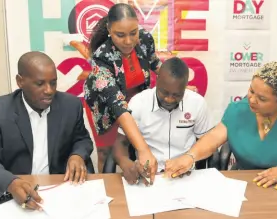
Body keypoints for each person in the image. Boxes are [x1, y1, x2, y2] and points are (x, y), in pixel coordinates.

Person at [164, 61, 277, 190]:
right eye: (251, 91)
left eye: (262, 98)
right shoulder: (239, 109)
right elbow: (214, 138)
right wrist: (189, 157)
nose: (252, 100)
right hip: (247, 184)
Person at [0, 51, 94, 209]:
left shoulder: (71, 105)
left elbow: (81, 139)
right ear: (20, 81)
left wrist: (77, 155)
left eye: (53, 83)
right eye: (40, 84)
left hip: (60, 190)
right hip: (16, 192)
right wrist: (11, 183)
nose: (49, 90)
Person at [84, 3, 196, 176]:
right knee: (106, 152)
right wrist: (143, 150)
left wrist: (179, 85)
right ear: (109, 29)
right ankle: (106, 184)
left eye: (133, 33)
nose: (129, 41)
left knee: (130, 147)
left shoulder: (144, 38)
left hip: (135, 100)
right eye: (120, 35)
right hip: (106, 106)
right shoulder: (101, 58)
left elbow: (155, 63)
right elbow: (117, 106)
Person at [112, 57, 213, 185]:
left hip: (186, 176)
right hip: (148, 178)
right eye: (164, 92)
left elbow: (207, 142)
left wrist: (190, 159)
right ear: (157, 80)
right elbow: (120, 143)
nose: (169, 99)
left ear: (186, 86)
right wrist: (126, 164)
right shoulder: (138, 103)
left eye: (177, 95)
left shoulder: (197, 104)